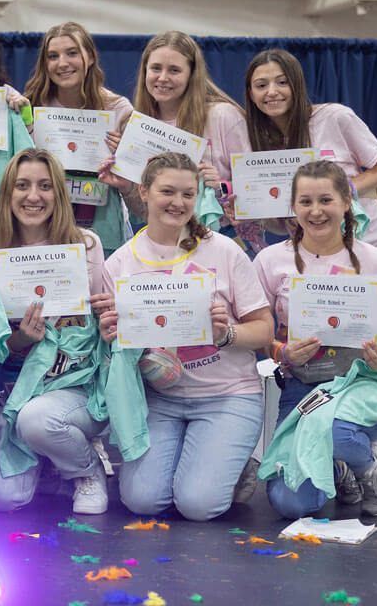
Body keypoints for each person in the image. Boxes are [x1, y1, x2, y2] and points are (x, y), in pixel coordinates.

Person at [99, 152, 274, 521]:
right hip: (160, 399)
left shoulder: (224, 251)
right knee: (143, 502)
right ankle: (204, 459)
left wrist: (226, 334)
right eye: (167, 191)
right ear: (143, 192)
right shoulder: (120, 263)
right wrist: (110, 333)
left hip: (227, 394)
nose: (178, 203)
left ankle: (232, 461)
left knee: (198, 505)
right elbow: (118, 346)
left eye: (188, 194)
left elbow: (264, 330)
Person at [254, 160, 377, 518]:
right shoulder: (270, 260)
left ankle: (368, 464)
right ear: (293, 207)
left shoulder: (375, 260)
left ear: (346, 202)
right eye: (306, 201)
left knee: (337, 432)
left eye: (326, 200)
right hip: (304, 385)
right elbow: (257, 329)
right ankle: (340, 469)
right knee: (289, 504)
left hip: (363, 381)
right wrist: (281, 351)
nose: (316, 211)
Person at [0, 148, 116, 514]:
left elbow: (101, 328)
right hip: (14, 390)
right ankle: (50, 459)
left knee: (38, 421)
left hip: (73, 385)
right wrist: (21, 338)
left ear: (59, 193)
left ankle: (85, 469)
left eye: (44, 186)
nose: (33, 196)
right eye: (22, 185)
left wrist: (106, 313)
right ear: (8, 193)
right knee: (3, 499)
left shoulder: (86, 245)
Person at [233, 48, 377, 288]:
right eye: (261, 85)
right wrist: (251, 212)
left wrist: (343, 189)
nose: (272, 92)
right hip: (318, 260)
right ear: (251, 94)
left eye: (282, 82)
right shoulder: (258, 145)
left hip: (376, 244)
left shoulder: (334, 117)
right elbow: (282, 224)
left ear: (297, 85)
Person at [21, 22, 135, 252]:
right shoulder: (31, 107)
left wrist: (124, 163)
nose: (62, 63)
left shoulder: (118, 109)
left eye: (72, 53)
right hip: (43, 227)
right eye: (53, 56)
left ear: (90, 57)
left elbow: (138, 198)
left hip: (104, 232)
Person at [125, 31, 239, 217]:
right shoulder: (139, 126)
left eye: (174, 70)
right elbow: (143, 213)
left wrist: (221, 188)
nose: (163, 77)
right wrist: (124, 185)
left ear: (192, 75)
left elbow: (255, 187)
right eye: (155, 68)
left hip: (221, 231)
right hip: (165, 231)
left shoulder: (222, 115)